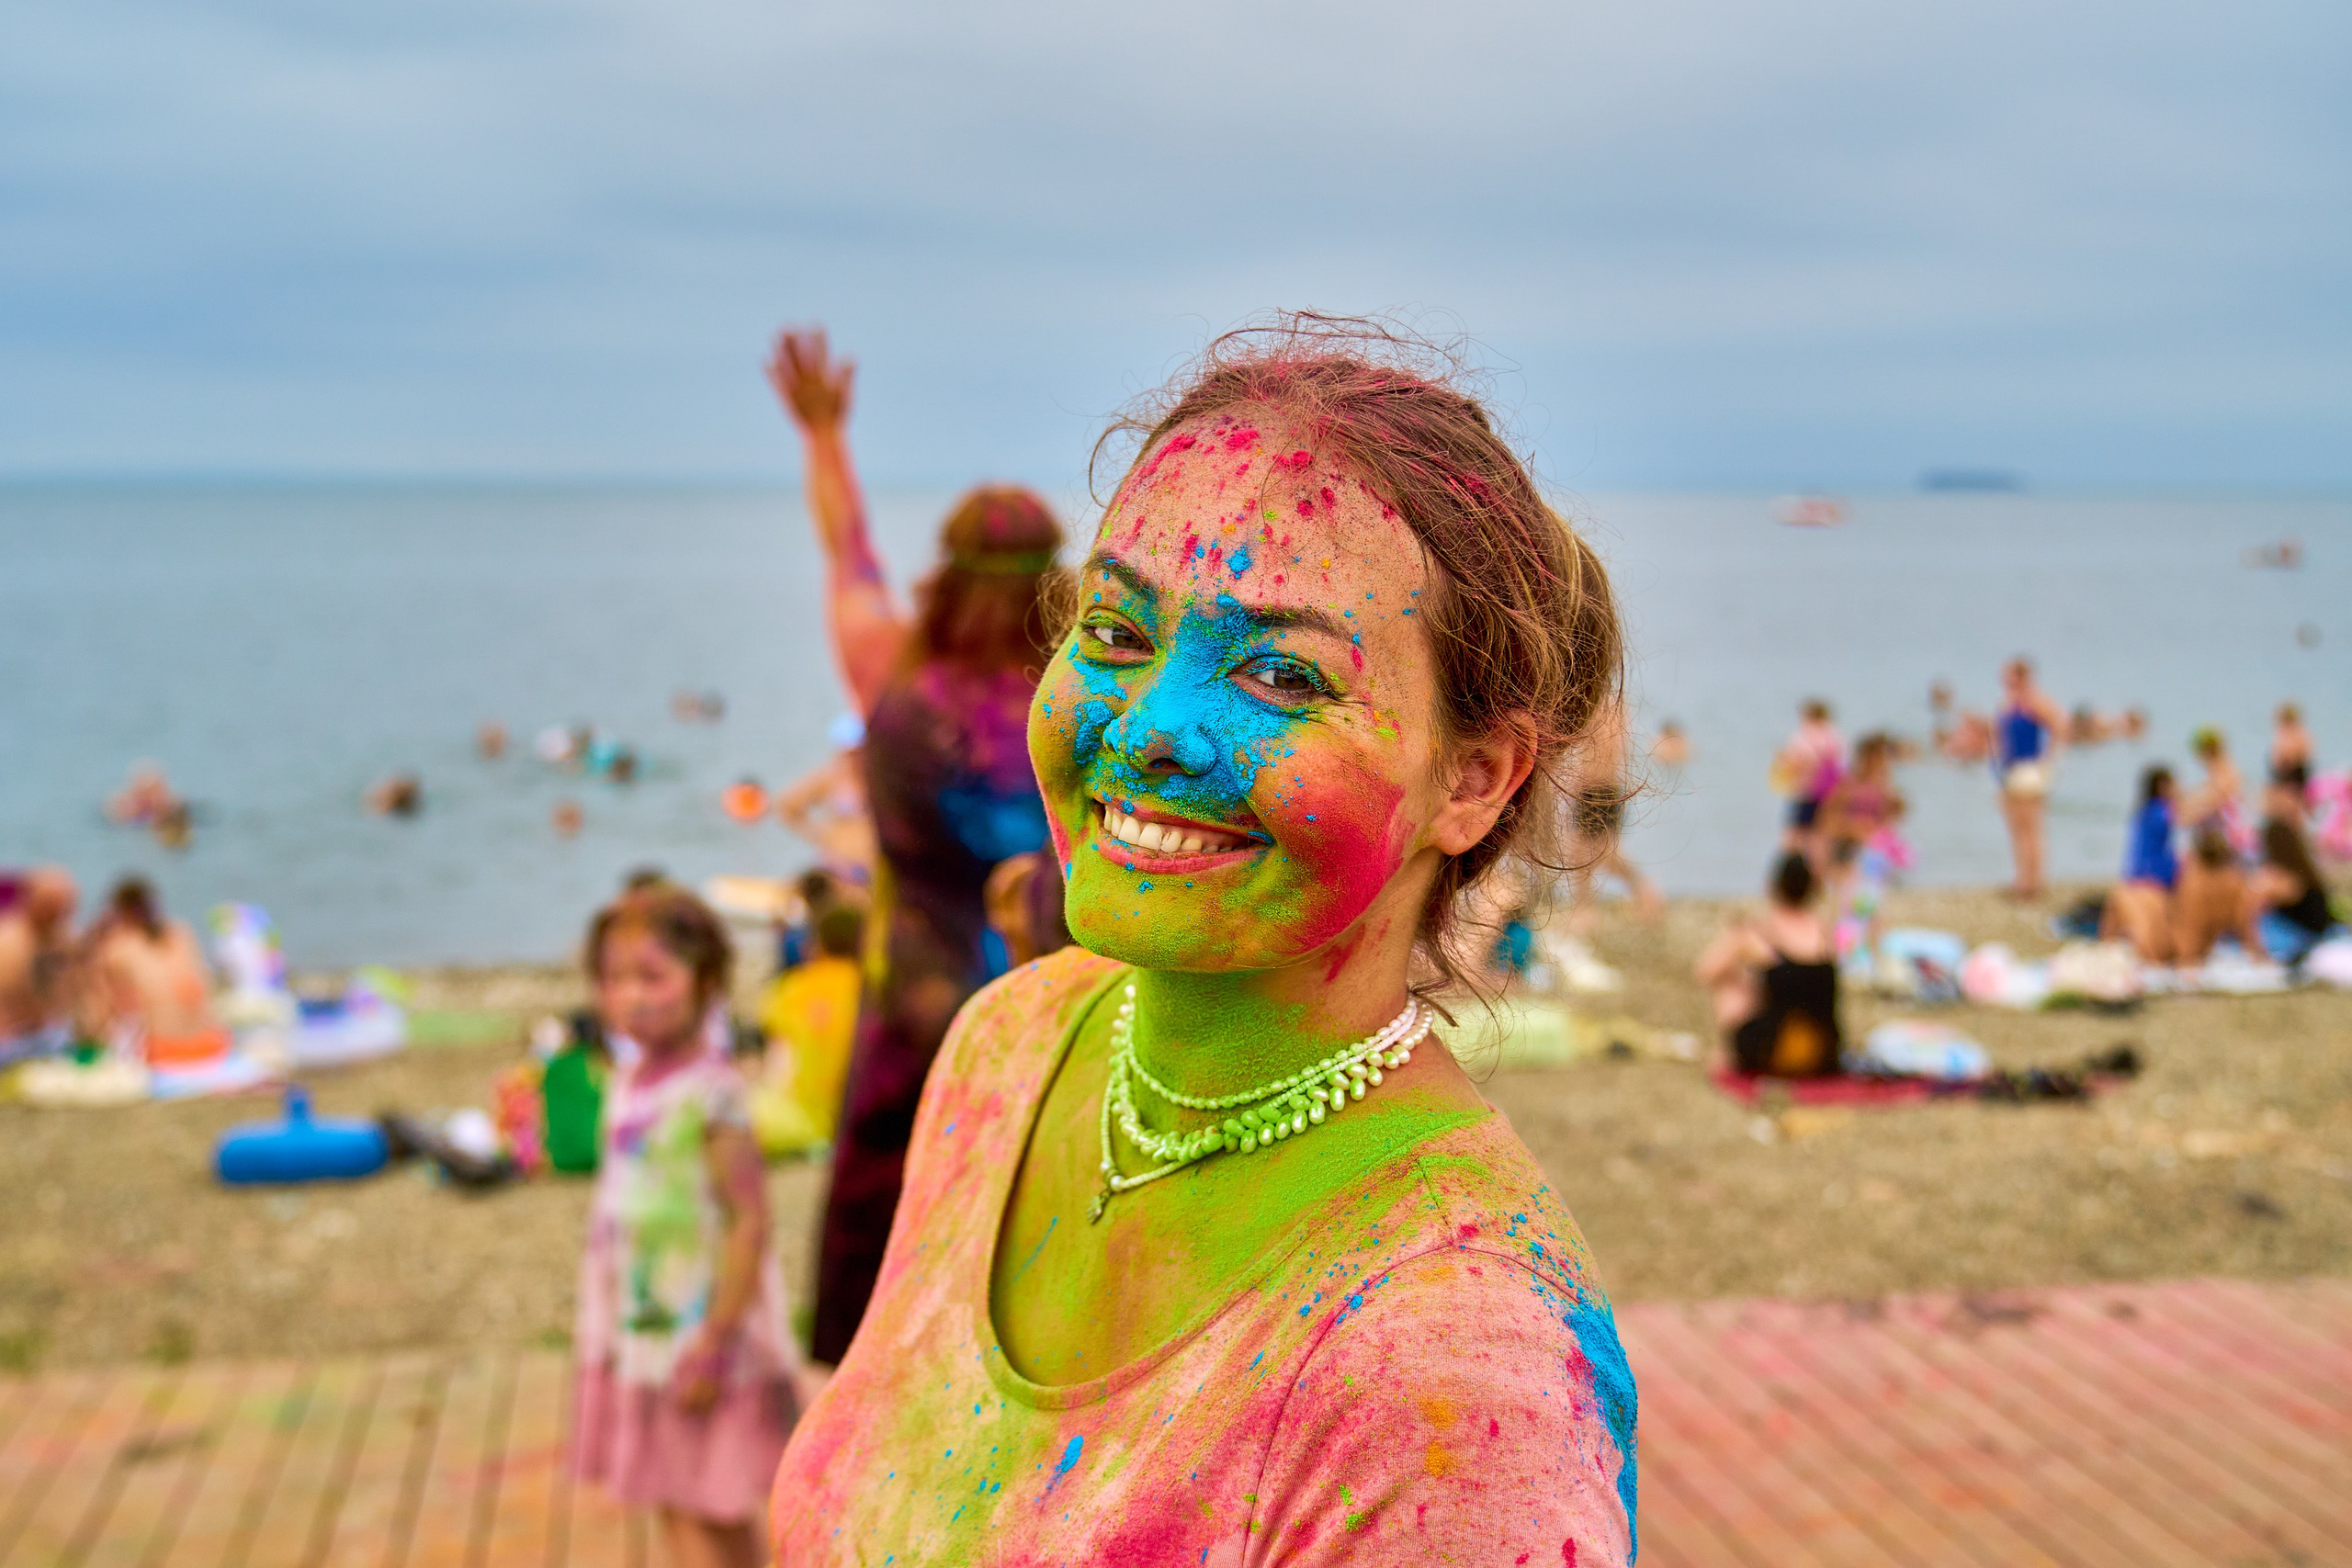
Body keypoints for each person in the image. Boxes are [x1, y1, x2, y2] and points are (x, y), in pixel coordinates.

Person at [768, 321, 1637, 1563]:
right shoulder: (1006, 1050)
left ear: (1476, 779)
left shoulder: (1454, 1374)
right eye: (1118, 633)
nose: (1151, 727)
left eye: (1282, 674)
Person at [768, 327, 1074, 1362]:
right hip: (1057, 999)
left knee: (896, 1269)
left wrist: (823, 437)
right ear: (1055, 577)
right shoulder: (1083, 691)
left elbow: (846, 550)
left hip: (916, 1007)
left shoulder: (889, 672)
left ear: (945, 570)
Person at [570, 886, 801, 1568]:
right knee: (671, 1494)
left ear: (703, 982)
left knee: (714, 1505)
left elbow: (749, 1220)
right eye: (614, 978)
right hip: (643, 1333)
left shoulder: (714, 1092)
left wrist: (715, 1339)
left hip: (701, 1339)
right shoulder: (627, 1077)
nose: (631, 995)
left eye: (652, 975)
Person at [1695, 852, 1841, 1077]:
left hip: (1772, 1053)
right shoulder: (1825, 935)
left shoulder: (1761, 933)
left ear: (1775, 887)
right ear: (1811, 891)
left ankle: (1728, 1055)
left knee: (1731, 981)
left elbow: (1705, 972)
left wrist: (1734, 937)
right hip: (1825, 1054)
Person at [751, 899, 865, 1158]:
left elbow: (779, 1065)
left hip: (808, 1121)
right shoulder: (875, 992)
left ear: (818, 944)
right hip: (861, 1122)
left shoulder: (794, 988)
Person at [80, 878, 229, 1068]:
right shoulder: (180, 933)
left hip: (160, 1050)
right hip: (212, 1043)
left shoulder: (117, 946)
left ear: (120, 911)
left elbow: (99, 1013)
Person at [1993, 657, 2065, 899]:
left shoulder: (2034, 701)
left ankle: (2031, 881)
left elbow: (2060, 724)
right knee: (2017, 827)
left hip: (2029, 768)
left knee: (2030, 827)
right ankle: (2023, 878)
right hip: (2011, 769)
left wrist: (2049, 761)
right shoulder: (2009, 704)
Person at [0, 868, 80, 1062]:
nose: (58, 914)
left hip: (46, 1034)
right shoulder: (9, 941)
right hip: (11, 1039)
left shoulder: (60, 939)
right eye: (52, 906)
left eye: (63, 908)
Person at [2102, 766, 2181, 960]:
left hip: (2138, 873)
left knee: (2130, 920)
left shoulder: (2144, 810)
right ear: (2163, 786)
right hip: (2154, 874)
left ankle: (2107, 954)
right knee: (2153, 921)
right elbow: (2184, 817)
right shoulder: (2160, 810)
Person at [2248, 816, 2340, 966]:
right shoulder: (2304, 873)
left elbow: (2250, 909)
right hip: (2323, 934)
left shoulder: (2284, 880)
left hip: (2308, 941)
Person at [1772, 699, 1844, 860]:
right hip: (1830, 793)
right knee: (1821, 835)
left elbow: (1797, 762)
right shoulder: (1834, 735)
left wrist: (1782, 759)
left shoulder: (1804, 736)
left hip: (1806, 791)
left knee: (1795, 833)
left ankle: (1793, 869)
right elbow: (1841, 765)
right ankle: (1818, 872)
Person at [2179, 727, 2251, 855]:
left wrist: (2186, 813)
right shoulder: (2222, 773)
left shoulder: (2226, 774)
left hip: (2230, 841)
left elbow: (2212, 802)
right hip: (2227, 838)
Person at [2269, 703, 2314, 818]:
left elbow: (2303, 755)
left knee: (2293, 810)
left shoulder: (2298, 735)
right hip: (2284, 776)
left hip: (2295, 775)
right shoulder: (2284, 736)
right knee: (2280, 809)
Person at [105, 762, 181, 826]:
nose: (151, 797)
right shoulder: (127, 809)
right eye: (146, 793)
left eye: (155, 792)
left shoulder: (171, 807)